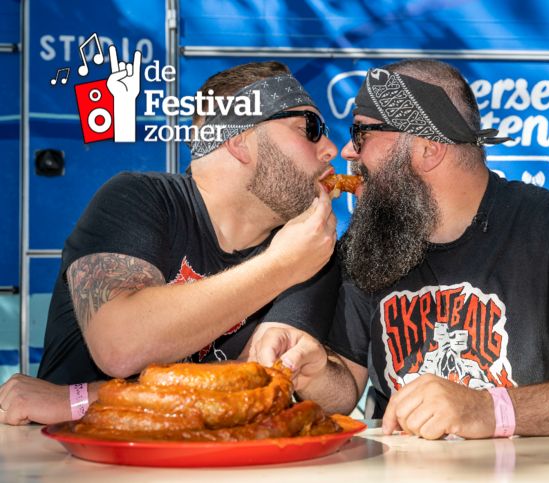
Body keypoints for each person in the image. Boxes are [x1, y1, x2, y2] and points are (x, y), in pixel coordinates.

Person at [256, 59, 549, 440]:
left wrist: (492, 410)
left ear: (427, 150)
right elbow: (345, 387)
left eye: (362, 132)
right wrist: (317, 371)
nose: (348, 150)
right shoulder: (370, 239)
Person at [0, 61, 340, 425]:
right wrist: (280, 267)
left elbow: (259, 389)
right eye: (311, 128)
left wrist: (79, 400)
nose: (331, 148)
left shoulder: (306, 248)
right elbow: (120, 345)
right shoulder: (139, 198)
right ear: (239, 141)